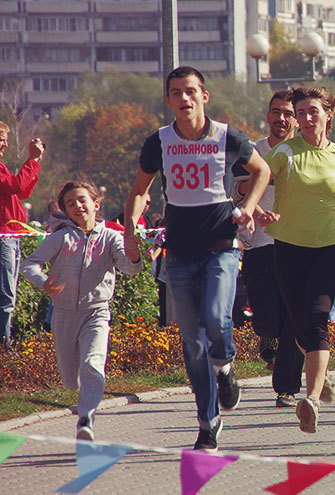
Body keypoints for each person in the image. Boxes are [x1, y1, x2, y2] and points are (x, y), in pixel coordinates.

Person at [124, 66, 271, 452]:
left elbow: (262, 170)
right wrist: (129, 232)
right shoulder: (158, 142)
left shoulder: (228, 138)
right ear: (169, 99)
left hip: (220, 247)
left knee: (216, 319)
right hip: (180, 255)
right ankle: (208, 423)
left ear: (204, 96)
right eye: (176, 92)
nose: (184, 98)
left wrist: (249, 207)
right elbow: (140, 191)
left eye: (191, 91)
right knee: (192, 344)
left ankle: (225, 368)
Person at [265, 86, 335, 434]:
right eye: (300, 113)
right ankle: (321, 374)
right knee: (302, 328)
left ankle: (312, 400)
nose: (306, 119)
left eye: (312, 112)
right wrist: (254, 208)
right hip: (288, 249)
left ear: (327, 115)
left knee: (318, 321)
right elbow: (259, 178)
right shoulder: (285, 152)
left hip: (325, 249)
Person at [22, 181, 141, 439]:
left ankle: (86, 419)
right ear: (65, 211)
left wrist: (134, 256)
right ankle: (82, 396)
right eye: (70, 203)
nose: (77, 205)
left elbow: (129, 268)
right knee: (70, 380)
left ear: (96, 205)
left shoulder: (111, 237)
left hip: (96, 311)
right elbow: (30, 264)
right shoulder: (61, 238)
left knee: (93, 363)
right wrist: (45, 283)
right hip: (63, 314)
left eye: (81, 200)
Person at [235, 89, 304, 408]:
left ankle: (287, 388)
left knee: (295, 318)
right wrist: (254, 209)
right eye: (276, 112)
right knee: (267, 318)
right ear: (268, 115)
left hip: (298, 245)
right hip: (260, 245)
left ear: (298, 118)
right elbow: (234, 193)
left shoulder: (305, 153)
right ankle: (266, 336)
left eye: (289, 113)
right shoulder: (252, 151)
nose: (282, 118)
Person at [0, 122, 43, 348]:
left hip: (11, 237)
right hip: (3, 239)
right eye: (1, 138)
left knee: (9, 295)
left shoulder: (2, 167)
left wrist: (34, 162)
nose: (5, 144)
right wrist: (31, 159)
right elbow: (17, 185)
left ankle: (5, 343)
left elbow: (23, 190)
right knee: (5, 296)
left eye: (5, 139)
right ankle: (4, 347)